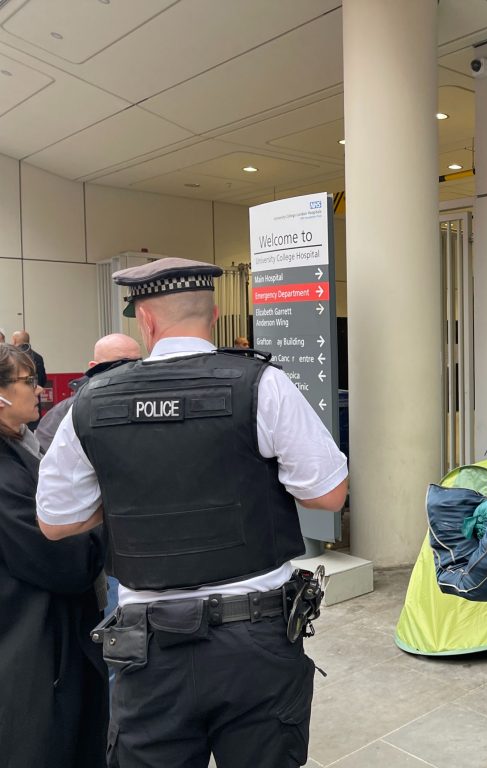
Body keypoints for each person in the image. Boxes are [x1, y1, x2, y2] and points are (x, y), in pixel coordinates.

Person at [36, 257, 349, 768]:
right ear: (215, 313)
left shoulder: (91, 402)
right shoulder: (261, 384)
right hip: (256, 642)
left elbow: (55, 521)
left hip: (149, 648)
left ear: (147, 320)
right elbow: (329, 494)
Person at [0, 343, 108, 767]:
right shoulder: (6, 473)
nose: (41, 389)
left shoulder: (24, 447)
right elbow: (62, 562)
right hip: (34, 648)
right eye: (28, 382)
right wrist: (100, 522)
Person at [35, 333, 142, 452]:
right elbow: (49, 457)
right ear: (94, 367)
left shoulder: (148, 403)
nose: (130, 371)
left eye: (138, 363)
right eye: (119, 364)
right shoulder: (68, 411)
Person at [12, 330, 47, 429]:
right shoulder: (38, 357)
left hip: (17, 402)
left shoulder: (12, 358)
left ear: (14, 340)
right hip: (34, 402)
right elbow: (43, 379)